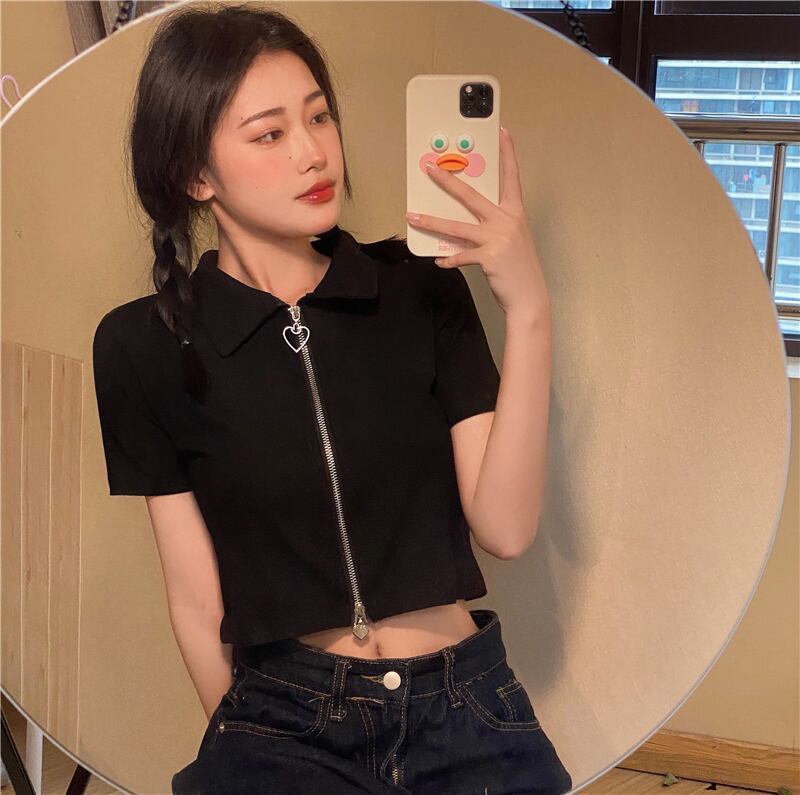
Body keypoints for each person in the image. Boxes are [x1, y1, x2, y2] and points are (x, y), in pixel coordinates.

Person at [92, 3, 571, 793]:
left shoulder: (419, 288)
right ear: (195, 174)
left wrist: (528, 308)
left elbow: (506, 526)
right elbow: (195, 599)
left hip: (463, 708)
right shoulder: (142, 347)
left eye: (320, 117)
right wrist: (240, 744)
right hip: (281, 721)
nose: (314, 152)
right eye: (269, 133)